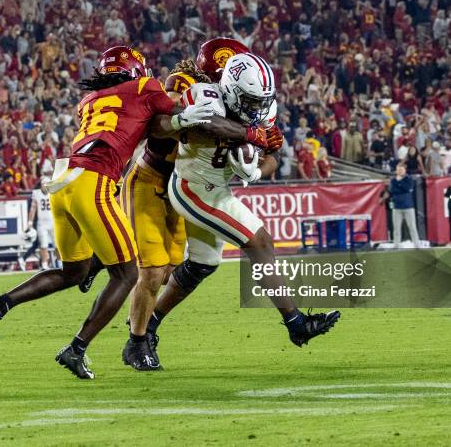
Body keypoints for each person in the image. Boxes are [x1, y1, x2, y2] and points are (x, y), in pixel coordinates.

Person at [0, 46, 261, 378]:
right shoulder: (146, 87)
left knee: (74, 273)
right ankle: (77, 349)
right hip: (94, 180)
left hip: (63, 177)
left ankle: (2, 303)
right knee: (127, 275)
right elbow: (175, 120)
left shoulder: (89, 101)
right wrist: (200, 122)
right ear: (135, 70)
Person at [146, 53, 340, 368]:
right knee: (260, 242)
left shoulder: (262, 109)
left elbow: (274, 153)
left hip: (217, 189)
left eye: (261, 100)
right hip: (193, 188)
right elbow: (210, 124)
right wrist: (251, 137)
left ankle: (146, 327)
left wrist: (257, 171)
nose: (258, 108)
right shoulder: (205, 95)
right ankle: (296, 324)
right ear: (232, 89)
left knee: (202, 264)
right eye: (250, 100)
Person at [121, 38, 254, 368]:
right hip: (152, 179)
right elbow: (162, 129)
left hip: (181, 186)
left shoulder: (231, 97)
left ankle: (139, 316)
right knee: (152, 272)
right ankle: (137, 344)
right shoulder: (184, 84)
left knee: (168, 271)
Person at [26, 177, 57, 270]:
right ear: (41, 185)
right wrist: (30, 222)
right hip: (42, 223)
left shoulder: (54, 192)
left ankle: (60, 262)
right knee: (43, 245)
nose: (45, 186)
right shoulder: (36, 193)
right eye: (44, 184)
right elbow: (33, 208)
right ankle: (44, 264)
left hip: (53, 222)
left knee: (57, 245)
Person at [389, 164, 421, 248]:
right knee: (396, 228)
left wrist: (399, 183)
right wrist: (399, 186)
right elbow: (392, 190)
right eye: (398, 170)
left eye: (401, 170)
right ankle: (396, 244)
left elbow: (407, 188)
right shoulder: (393, 180)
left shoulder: (409, 179)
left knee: (412, 227)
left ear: (405, 170)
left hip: (408, 206)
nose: (399, 171)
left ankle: (416, 244)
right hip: (397, 207)